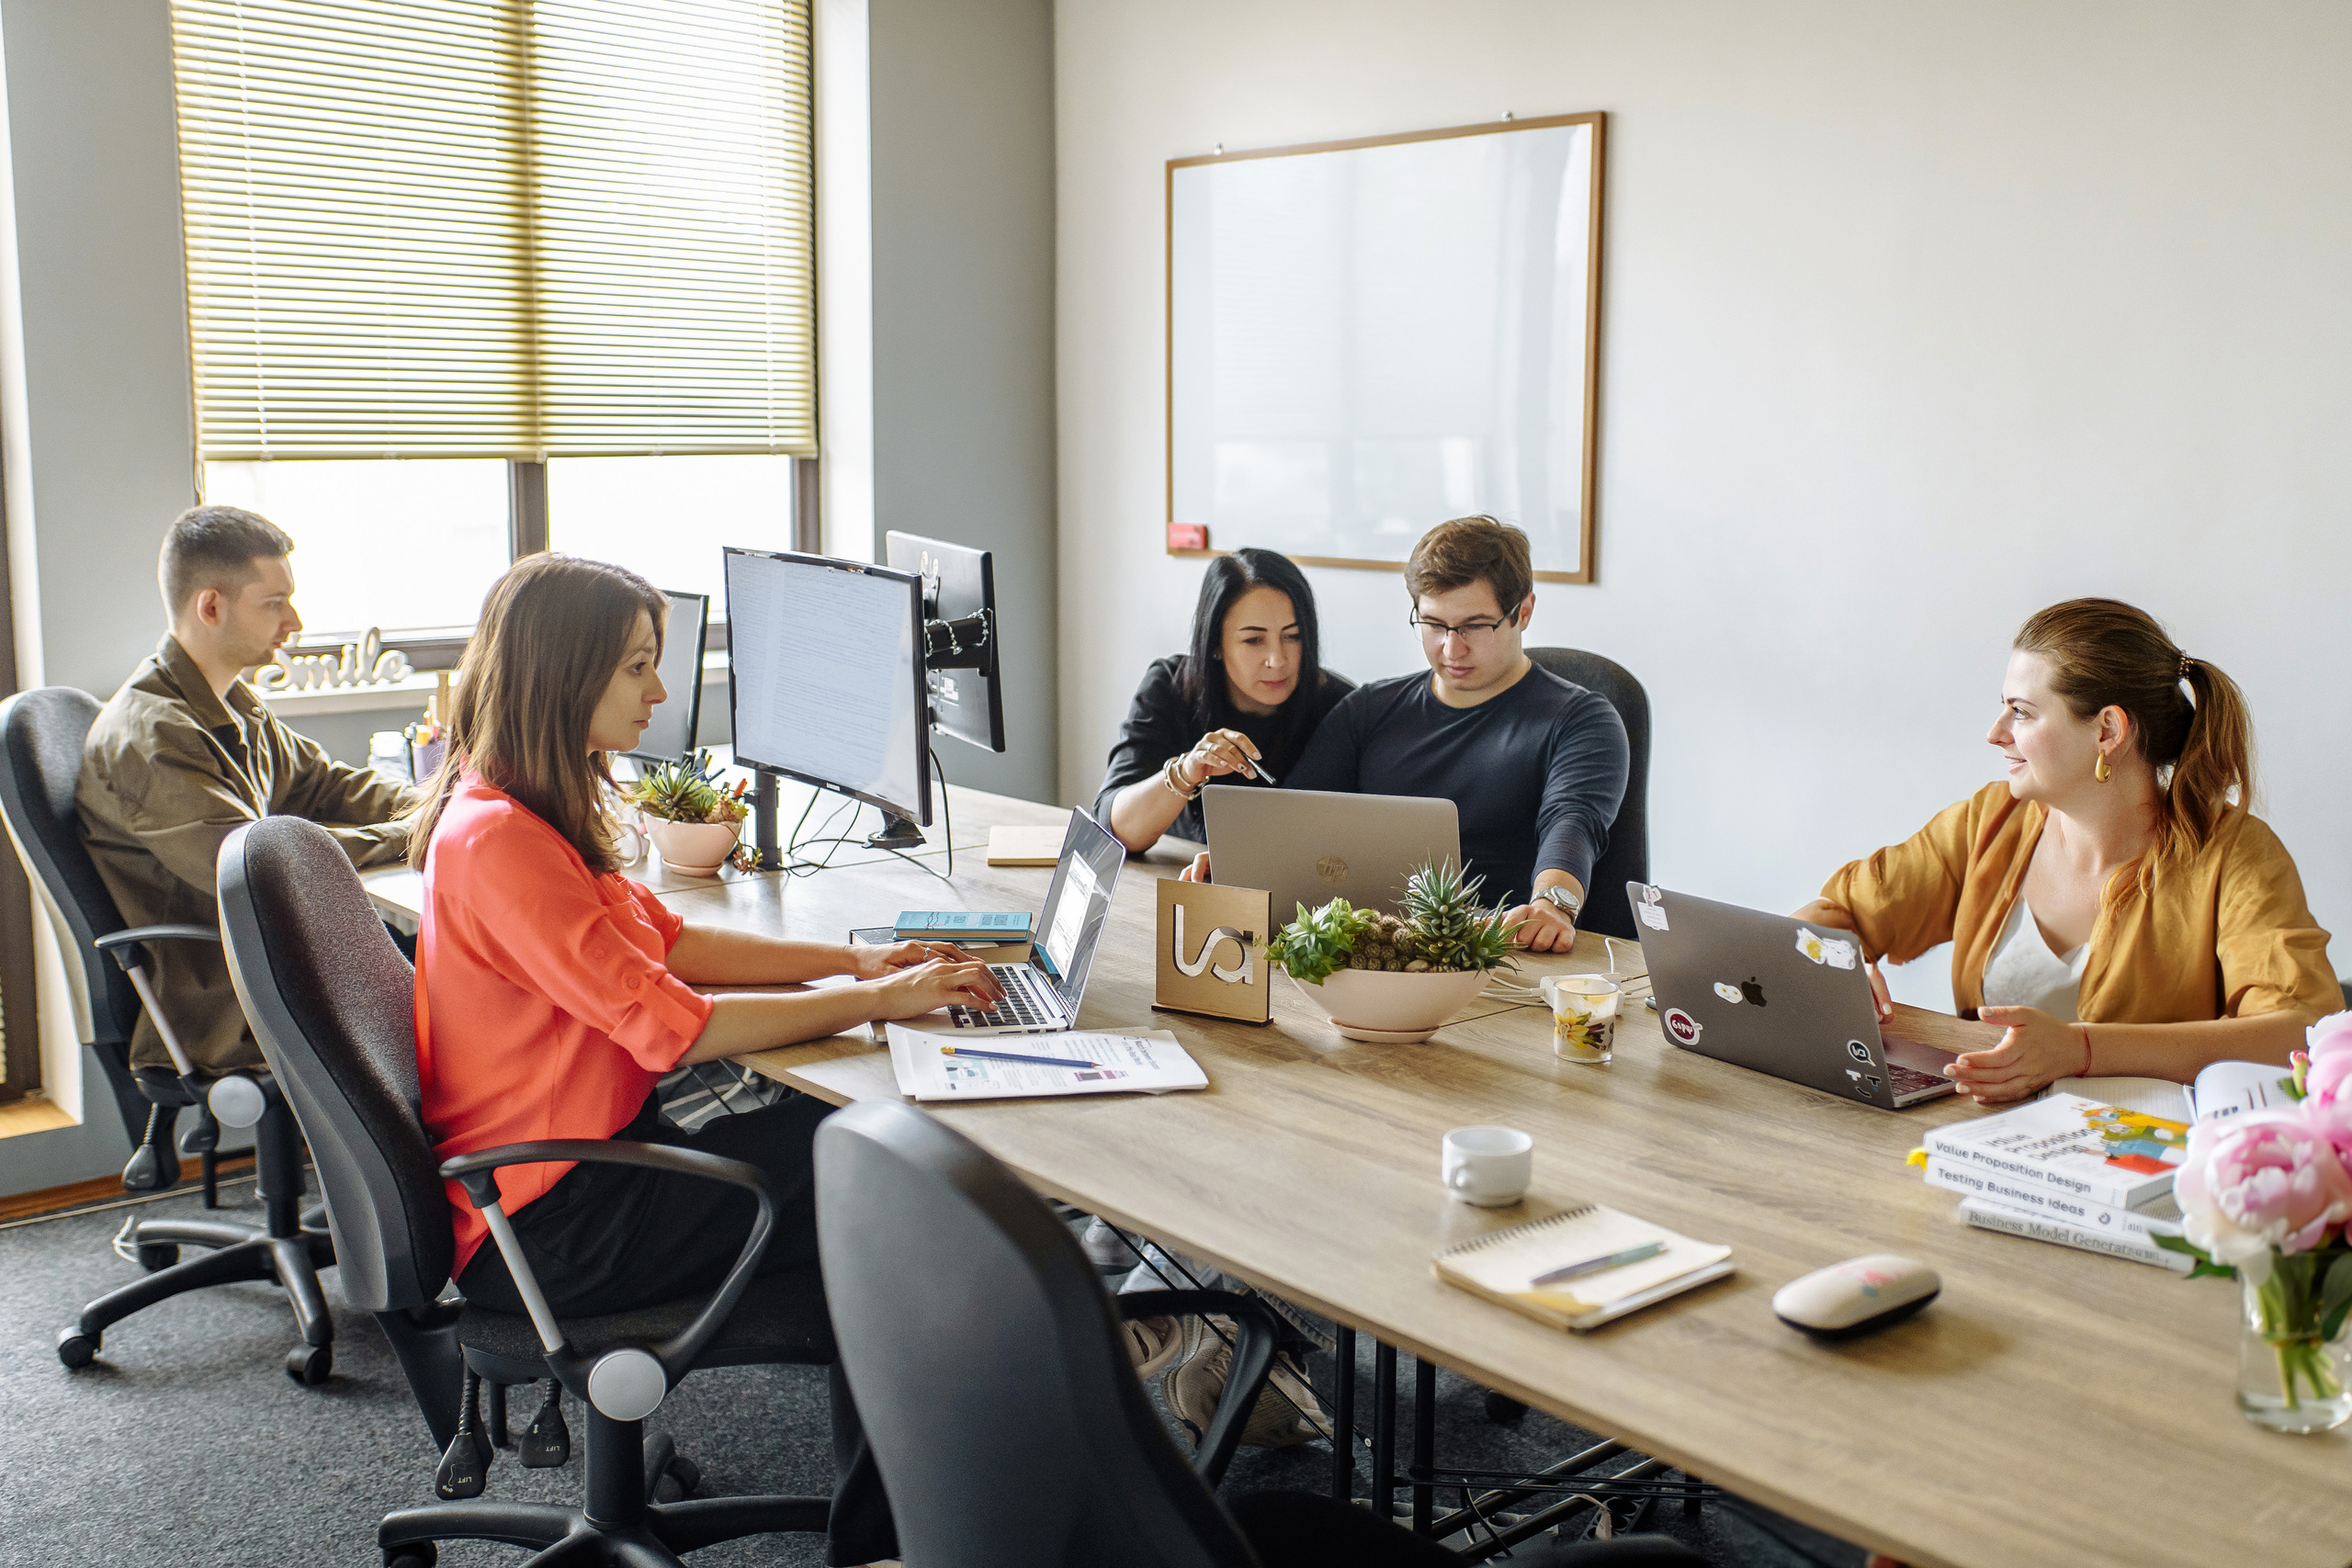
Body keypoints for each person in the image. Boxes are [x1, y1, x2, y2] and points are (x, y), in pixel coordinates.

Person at [411, 553, 1003, 1568]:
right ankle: (894, 1534)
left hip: (569, 1180)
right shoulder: (501, 842)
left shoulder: (518, 806)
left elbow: (670, 942)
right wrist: (878, 1003)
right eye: (638, 666)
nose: (659, 690)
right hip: (557, 1225)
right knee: (884, 1168)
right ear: (566, 674)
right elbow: (673, 1029)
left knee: (859, 1158)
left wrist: (854, 960)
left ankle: (891, 1521)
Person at [1796, 598, 2336, 1106]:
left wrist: (2082, 1050)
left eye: (2021, 712)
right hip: (1974, 1129)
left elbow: (2304, 1033)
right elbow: (1834, 914)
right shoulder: (1989, 822)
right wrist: (1832, 962)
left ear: (2107, 730)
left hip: (2140, 1152)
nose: (1995, 733)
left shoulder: (2235, 854)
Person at [80, 504, 421, 1076]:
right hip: (227, 997)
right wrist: (410, 834)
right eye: (274, 603)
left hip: (275, 959)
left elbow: (328, 784)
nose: (294, 621)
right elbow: (261, 867)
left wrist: (442, 803)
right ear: (211, 606)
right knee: (468, 998)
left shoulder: (231, 704)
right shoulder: (154, 735)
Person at [1215, 516, 1629, 954]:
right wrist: (1246, 865)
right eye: (1433, 624)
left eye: (1475, 626)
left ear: (1522, 612)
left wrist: (1553, 904)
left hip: (1502, 951)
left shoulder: (1581, 720)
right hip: (1373, 948)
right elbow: (1294, 816)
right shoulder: (1368, 708)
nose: (1451, 649)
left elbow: (1572, 822)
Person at [1094, 547, 1353, 852]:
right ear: (1216, 643)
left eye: (1292, 636)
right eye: (1253, 640)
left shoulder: (1343, 706)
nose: (1277, 659)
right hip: (1179, 877)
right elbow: (1115, 832)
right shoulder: (1172, 686)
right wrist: (1186, 771)